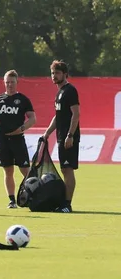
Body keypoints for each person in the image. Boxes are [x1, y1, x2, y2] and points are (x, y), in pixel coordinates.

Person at [0, 70, 36, 209]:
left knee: (25, 171)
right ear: (4, 83)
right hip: (3, 140)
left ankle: (34, 195)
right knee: (8, 171)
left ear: (17, 82)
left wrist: (22, 128)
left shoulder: (23, 99)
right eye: (7, 82)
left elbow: (32, 118)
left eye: (12, 82)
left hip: (18, 139)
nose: (9, 85)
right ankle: (11, 200)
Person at [42, 60, 80, 213]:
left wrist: (70, 135)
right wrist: (47, 133)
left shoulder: (70, 90)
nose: (54, 76)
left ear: (65, 74)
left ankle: (67, 205)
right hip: (61, 136)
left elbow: (76, 114)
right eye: (52, 73)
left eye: (57, 73)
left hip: (68, 137)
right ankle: (64, 203)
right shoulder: (59, 93)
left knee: (67, 169)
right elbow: (58, 116)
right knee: (64, 169)